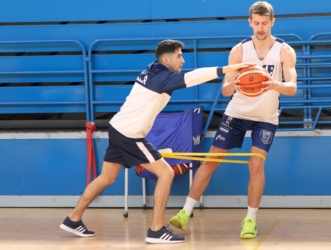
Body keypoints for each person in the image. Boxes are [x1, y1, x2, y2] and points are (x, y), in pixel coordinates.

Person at [59, 39, 253, 244]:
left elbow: (185, 75)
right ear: (167, 59)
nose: (183, 60)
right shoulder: (161, 77)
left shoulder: (154, 70)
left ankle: (73, 219)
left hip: (118, 128)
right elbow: (193, 77)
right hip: (130, 134)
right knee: (166, 173)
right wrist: (227, 68)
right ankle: (156, 230)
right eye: (179, 56)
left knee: (106, 178)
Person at [169, 1, 297, 239]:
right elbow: (226, 90)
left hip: (266, 118)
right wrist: (235, 84)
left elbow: (292, 88)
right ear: (250, 22)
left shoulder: (284, 51)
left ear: (272, 22)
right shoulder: (239, 50)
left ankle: (250, 220)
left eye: (264, 23)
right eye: (256, 23)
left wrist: (273, 84)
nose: (260, 28)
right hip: (237, 113)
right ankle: (185, 212)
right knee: (210, 161)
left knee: (256, 165)